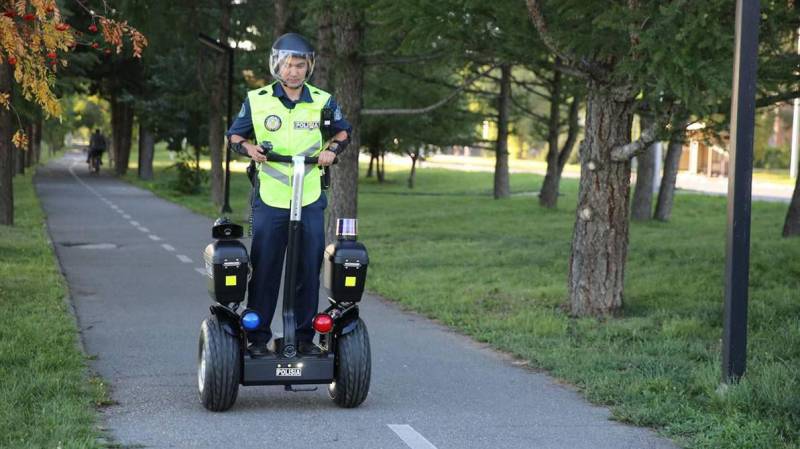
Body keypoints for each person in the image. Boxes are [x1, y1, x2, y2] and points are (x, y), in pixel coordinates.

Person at [226, 33, 351, 357]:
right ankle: (256, 339)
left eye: (299, 65)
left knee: (307, 269)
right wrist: (249, 148)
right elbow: (235, 135)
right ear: (276, 65)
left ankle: (304, 338)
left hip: (308, 198)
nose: (293, 71)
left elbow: (342, 131)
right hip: (270, 198)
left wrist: (332, 150)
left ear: (308, 66)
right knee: (265, 268)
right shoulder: (258, 99)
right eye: (287, 65)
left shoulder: (323, 100)